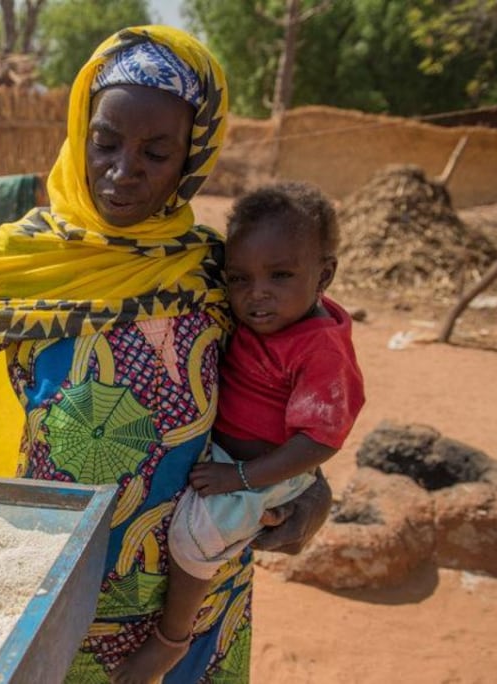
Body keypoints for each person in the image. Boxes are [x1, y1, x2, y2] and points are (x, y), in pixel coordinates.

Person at [0, 26, 334, 683]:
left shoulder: (214, 271)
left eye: (156, 152)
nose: (122, 169)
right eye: (104, 143)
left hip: (197, 590)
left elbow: (292, 386)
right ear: (80, 135)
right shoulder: (32, 258)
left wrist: (314, 486)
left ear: (191, 156)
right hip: (64, 589)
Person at [119, 182, 366, 680]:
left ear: (325, 275)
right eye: (239, 279)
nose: (256, 295)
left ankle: (172, 639)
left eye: (280, 276)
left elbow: (320, 439)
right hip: (232, 461)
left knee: (194, 540)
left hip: (261, 474)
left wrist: (246, 478)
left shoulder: (318, 347)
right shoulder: (240, 296)